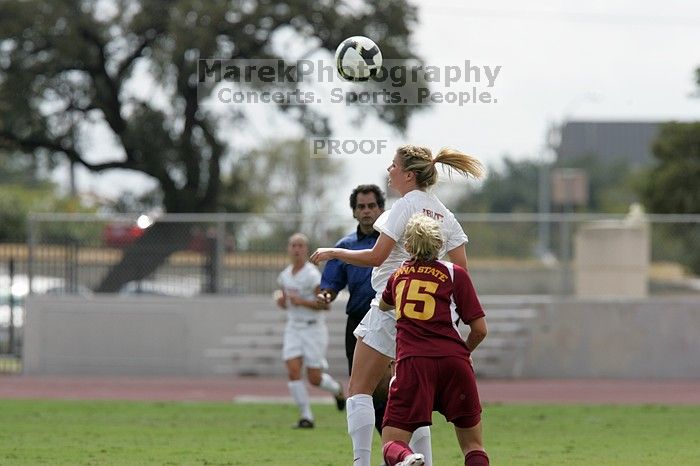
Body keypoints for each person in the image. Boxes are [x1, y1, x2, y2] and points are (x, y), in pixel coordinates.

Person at [310, 145, 485, 466]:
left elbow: (376, 257)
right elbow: (462, 271)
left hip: (393, 306)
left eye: (393, 166)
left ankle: (361, 462)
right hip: (434, 314)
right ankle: (424, 461)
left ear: (408, 174)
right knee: (414, 400)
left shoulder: (406, 205)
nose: (389, 170)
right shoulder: (445, 213)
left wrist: (335, 253)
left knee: (359, 388)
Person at [378, 213, 489, 466]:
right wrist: (465, 353)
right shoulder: (455, 274)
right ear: (440, 244)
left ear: (407, 246)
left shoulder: (399, 276)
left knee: (391, 442)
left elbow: (384, 304)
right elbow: (480, 330)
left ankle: (407, 458)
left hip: (414, 363)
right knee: (473, 446)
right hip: (454, 363)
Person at [317, 184, 390, 434]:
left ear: (382, 209)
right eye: (361, 207)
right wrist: (325, 295)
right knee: (361, 391)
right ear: (354, 212)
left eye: (372, 206)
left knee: (395, 389)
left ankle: (397, 448)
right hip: (359, 323)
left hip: (392, 320)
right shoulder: (345, 245)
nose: (367, 211)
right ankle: (383, 452)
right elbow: (330, 284)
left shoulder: (393, 241)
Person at [275, 232, 346, 429]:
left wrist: (303, 302)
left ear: (306, 250)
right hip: (293, 328)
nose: (296, 249)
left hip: (313, 328)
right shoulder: (285, 276)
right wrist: (282, 303)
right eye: (293, 245)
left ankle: (337, 390)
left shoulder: (313, 275)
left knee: (314, 378)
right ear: (288, 249)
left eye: (300, 246)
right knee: (292, 370)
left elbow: (325, 305)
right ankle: (306, 416)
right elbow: (286, 303)